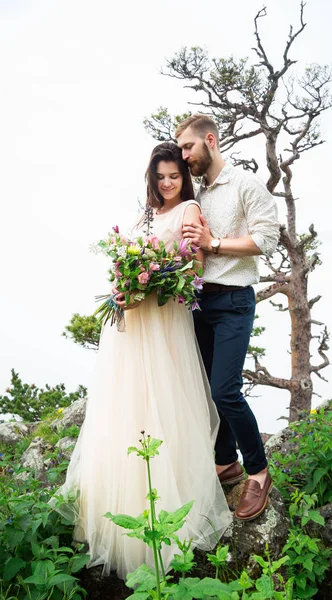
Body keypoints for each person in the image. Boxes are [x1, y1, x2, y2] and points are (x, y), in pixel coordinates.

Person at [51, 142, 232, 580]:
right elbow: (127, 260)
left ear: (183, 178)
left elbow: (194, 267)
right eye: (160, 177)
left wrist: (154, 282)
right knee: (125, 406)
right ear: (150, 178)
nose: (167, 183)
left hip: (164, 322)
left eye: (173, 175)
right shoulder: (143, 215)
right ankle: (120, 508)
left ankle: (171, 515)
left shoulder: (189, 210)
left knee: (164, 401)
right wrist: (124, 285)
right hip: (132, 324)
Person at [176, 114, 280, 521]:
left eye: (188, 147)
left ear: (210, 141)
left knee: (225, 391)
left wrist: (213, 242)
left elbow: (266, 239)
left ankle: (258, 470)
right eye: (181, 149)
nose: (184, 156)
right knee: (204, 389)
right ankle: (225, 463)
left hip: (235, 300)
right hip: (198, 302)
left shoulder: (245, 185)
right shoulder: (194, 192)